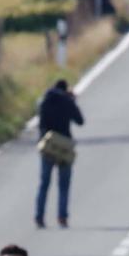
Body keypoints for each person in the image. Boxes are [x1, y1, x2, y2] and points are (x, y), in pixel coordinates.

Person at [33, 79, 84, 230]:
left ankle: (39, 217)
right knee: (64, 185)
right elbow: (80, 121)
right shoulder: (67, 101)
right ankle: (62, 217)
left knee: (44, 183)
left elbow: (41, 124)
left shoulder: (44, 101)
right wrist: (72, 101)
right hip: (64, 147)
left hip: (48, 145)